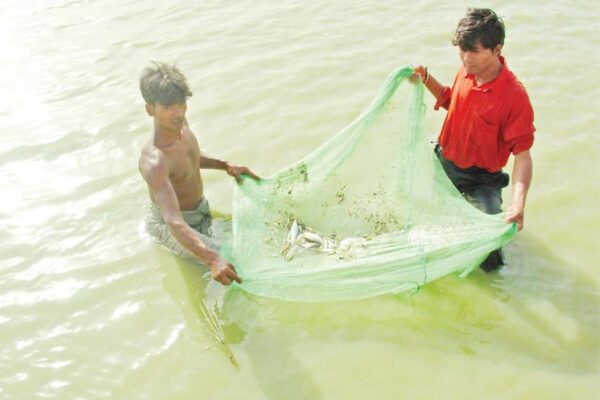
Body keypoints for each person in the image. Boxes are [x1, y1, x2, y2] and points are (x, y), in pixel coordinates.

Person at [412, 8, 535, 271]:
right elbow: (451, 101)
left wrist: (517, 204)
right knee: (426, 233)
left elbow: (523, 155)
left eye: (475, 51)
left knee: (490, 258)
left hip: (480, 180)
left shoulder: (514, 96)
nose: (467, 58)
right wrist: (425, 79)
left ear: (497, 48)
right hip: (444, 166)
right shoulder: (466, 71)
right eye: (462, 50)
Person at [138, 62, 260, 285]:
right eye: (167, 108)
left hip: (199, 211)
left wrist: (226, 165)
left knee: (254, 236)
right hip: (171, 227)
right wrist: (213, 259)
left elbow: (190, 157)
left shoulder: (180, 124)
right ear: (150, 110)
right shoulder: (154, 160)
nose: (178, 112)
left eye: (181, 104)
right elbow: (173, 221)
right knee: (237, 263)